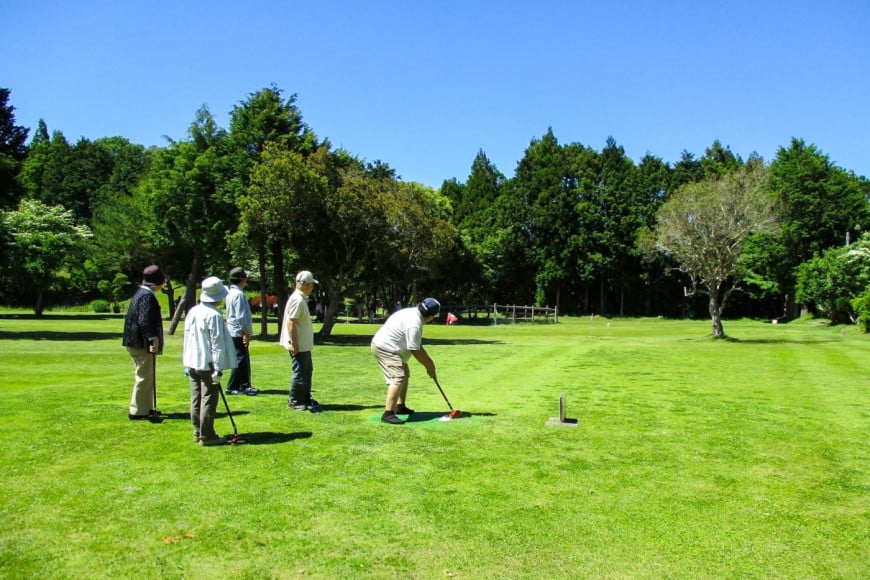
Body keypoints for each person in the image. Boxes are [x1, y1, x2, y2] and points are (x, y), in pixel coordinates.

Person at [183, 276, 238, 446]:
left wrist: (186, 361)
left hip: (193, 361)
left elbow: (187, 338)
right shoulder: (213, 315)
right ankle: (207, 435)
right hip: (208, 363)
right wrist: (219, 368)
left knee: (196, 397)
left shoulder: (194, 310)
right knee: (208, 398)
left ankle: (198, 431)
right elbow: (217, 344)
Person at [371, 297, 440, 425]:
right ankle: (388, 413)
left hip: (391, 347)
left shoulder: (413, 313)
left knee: (405, 374)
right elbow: (415, 349)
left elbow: (416, 344)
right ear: (430, 316)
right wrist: (429, 365)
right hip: (386, 348)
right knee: (398, 377)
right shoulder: (415, 323)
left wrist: (429, 363)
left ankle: (400, 406)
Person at [122, 264, 167, 423]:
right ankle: (138, 410)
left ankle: (145, 407)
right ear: (156, 283)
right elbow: (144, 320)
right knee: (144, 376)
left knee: (146, 375)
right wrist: (152, 338)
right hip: (140, 342)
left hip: (134, 341)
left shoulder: (140, 293)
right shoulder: (147, 296)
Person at [280, 270, 320, 411]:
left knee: (307, 371)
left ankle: (304, 397)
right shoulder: (297, 299)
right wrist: (293, 342)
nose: (312, 288)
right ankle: (294, 401)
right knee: (300, 372)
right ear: (307, 285)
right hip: (299, 344)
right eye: (311, 285)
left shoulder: (300, 298)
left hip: (303, 344)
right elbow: (291, 322)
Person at [224, 267, 257, 396]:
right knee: (240, 359)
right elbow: (241, 316)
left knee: (243, 359)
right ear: (241, 280)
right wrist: (246, 332)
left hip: (234, 330)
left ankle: (245, 385)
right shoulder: (238, 294)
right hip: (238, 331)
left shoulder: (231, 293)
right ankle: (232, 386)